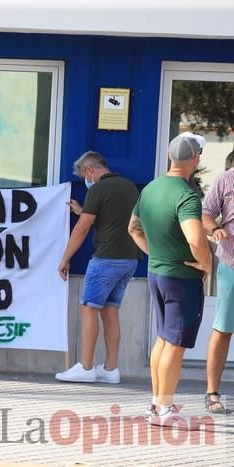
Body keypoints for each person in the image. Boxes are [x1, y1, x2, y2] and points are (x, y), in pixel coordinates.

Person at [128, 133, 211, 426]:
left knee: (163, 339)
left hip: (157, 273)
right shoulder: (186, 195)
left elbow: (133, 229)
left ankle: (156, 404)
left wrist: (156, 253)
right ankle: (163, 409)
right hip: (181, 278)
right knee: (175, 345)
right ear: (195, 160)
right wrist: (206, 263)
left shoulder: (150, 188)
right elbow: (195, 237)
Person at [55, 151, 141, 384]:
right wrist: (82, 209)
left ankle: (85, 367)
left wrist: (65, 258)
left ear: (90, 170)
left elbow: (82, 229)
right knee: (110, 310)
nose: (86, 179)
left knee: (89, 308)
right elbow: (114, 218)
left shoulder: (98, 189)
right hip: (130, 258)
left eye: (85, 174)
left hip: (106, 259)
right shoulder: (129, 187)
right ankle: (111, 369)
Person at [200, 148, 234, 414]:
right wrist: (214, 229)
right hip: (231, 264)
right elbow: (206, 213)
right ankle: (212, 393)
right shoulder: (225, 180)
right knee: (223, 329)